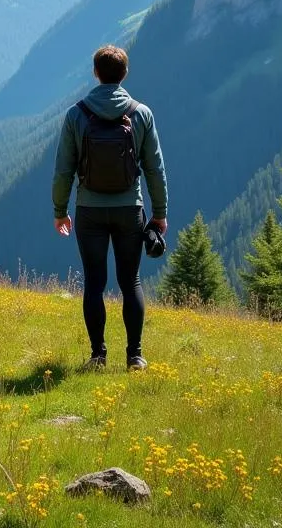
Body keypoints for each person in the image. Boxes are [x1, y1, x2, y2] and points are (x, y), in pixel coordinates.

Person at [52, 45, 168, 371]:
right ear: (124, 74)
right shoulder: (141, 114)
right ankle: (135, 356)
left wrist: (60, 210)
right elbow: (155, 168)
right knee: (130, 281)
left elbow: (63, 169)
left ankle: (98, 356)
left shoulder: (76, 115)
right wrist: (159, 213)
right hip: (130, 209)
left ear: (95, 73)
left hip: (89, 210)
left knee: (94, 282)